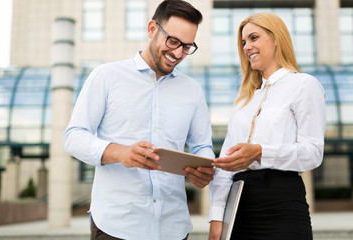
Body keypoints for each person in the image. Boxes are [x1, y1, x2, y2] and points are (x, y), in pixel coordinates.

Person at [64, 0, 215, 239]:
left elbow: (202, 146)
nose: (178, 53)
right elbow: (73, 137)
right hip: (116, 227)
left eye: (187, 46)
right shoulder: (106, 76)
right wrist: (119, 153)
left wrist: (205, 168)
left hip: (173, 227)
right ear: (152, 29)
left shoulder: (193, 90)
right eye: (173, 41)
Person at [208, 12, 326, 240]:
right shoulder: (244, 99)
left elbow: (313, 153)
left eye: (254, 38)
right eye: (243, 42)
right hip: (239, 207)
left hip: (282, 203)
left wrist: (260, 152)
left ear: (276, 38)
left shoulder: (303, 85)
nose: (246, 47)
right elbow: (226, 165)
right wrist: (216, 218)